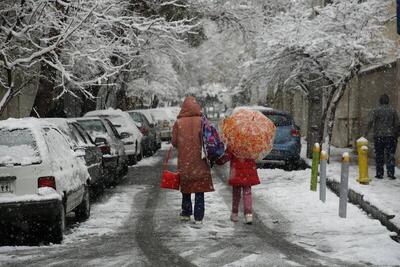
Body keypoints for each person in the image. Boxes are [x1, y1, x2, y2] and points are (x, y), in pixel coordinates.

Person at [172, 96, 214, 224]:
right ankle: (199, 217)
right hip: (200, 160)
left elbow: (174, 142)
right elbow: (209, 139)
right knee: (199, 188)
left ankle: (186, 212)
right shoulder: (202, 121)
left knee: (186, 186)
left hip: (185, 161)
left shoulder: (178, 123)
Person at [216, 146, 260, 224]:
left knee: (236, 194)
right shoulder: (252, 142)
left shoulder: (234, 142)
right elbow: (256, 155)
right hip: (248, 172)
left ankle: (235, 214)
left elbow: (226, 157)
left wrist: (218, 161)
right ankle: (248, 215)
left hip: (236, 171)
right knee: (247, 193)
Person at [366, 94, 400, 180]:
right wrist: (397, 134)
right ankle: (390, 173)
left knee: (379, 155)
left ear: (380, 101)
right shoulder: (393, 110)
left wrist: (366, 133)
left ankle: (379, 173)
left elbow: (370, 122)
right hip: (391, 137)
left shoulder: (376, 110)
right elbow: (397, 124)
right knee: (390, 155)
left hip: (379, 136)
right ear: (388, 101)